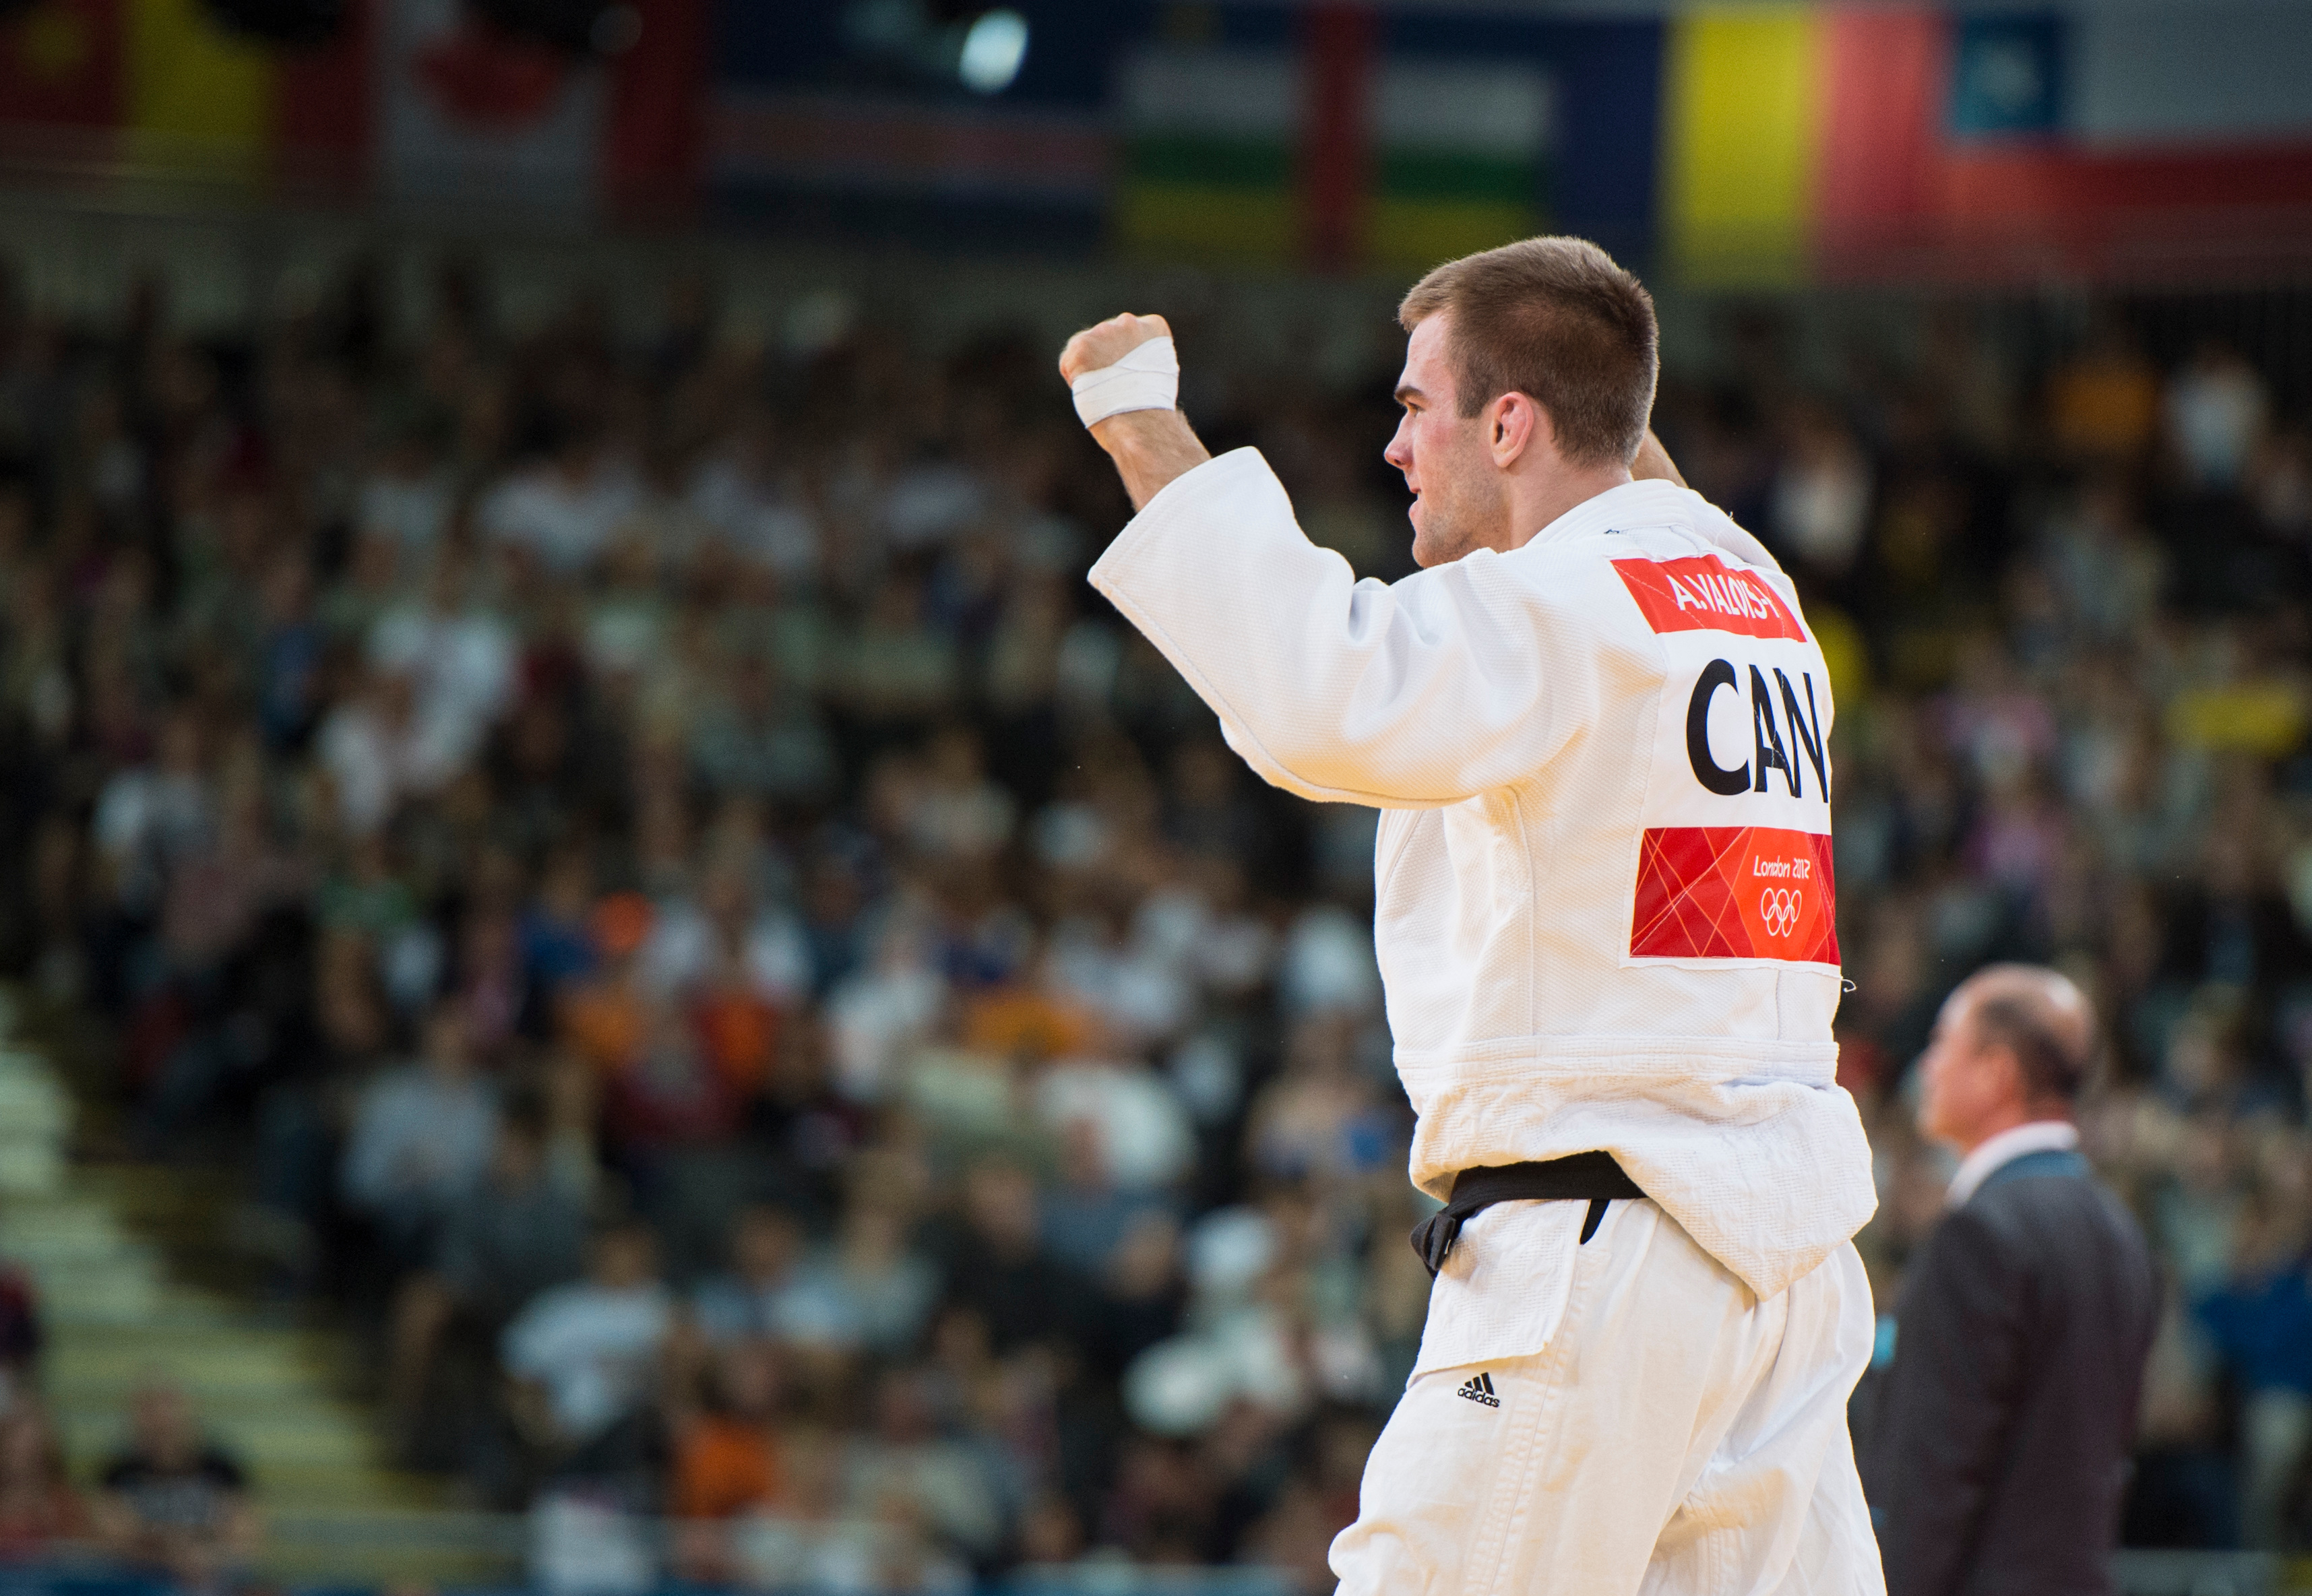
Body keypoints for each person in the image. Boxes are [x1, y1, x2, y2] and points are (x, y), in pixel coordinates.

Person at [1057, 235, 1882, 1592]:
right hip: (1776, 1273)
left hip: (1596, 1253)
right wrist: (1572, 351)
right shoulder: (1750, 594)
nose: (1392, 449)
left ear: (1508, 422)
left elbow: (1323, 694)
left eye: (1409, 405)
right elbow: (1623, 470)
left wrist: (1136, 418)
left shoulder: (1559, 604)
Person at [1861, 964, 2158, 1596]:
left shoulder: (1982, 1232)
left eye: (1943, 1044)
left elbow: (1933, 1475)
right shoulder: (2118, 1229)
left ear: (1996, 1073)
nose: (1927, 1068)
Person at [91, 1382, 261, 1589]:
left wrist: (205, 1558)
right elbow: (113, 1539)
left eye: (169, 1406)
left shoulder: (222, 1469)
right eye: (150, 1409)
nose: (161, 1419)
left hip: (213, 1579)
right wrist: (170, 1556)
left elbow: (245, 1538)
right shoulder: (118, 1472)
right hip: (140, 1581)